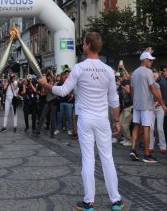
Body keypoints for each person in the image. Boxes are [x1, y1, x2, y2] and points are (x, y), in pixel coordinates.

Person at [39, 32, 123, 211]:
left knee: (88, 159)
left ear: (87, 45)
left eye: (84, 43)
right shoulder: (108, 70)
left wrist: (45, 85)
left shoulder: (79, 68)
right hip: (102, 119)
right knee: (107, 158)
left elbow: (62, 91)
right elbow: (114, 100)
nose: (82, 45)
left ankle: (89, 202)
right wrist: (116, 120)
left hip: (85, 118)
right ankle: (116, 200)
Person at [130, 50, 167, 163]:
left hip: (136, 103)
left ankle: (133, 149)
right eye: (150, 60)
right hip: (146, 103)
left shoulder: (135, 72)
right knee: (146, 127)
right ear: (145, 60)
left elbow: (131, 89)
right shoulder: (148, 72)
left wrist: (134, 99)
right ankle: (147, 155)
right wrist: (163, 104)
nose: (151, 62)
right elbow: (153, 89)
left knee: (136, 126)